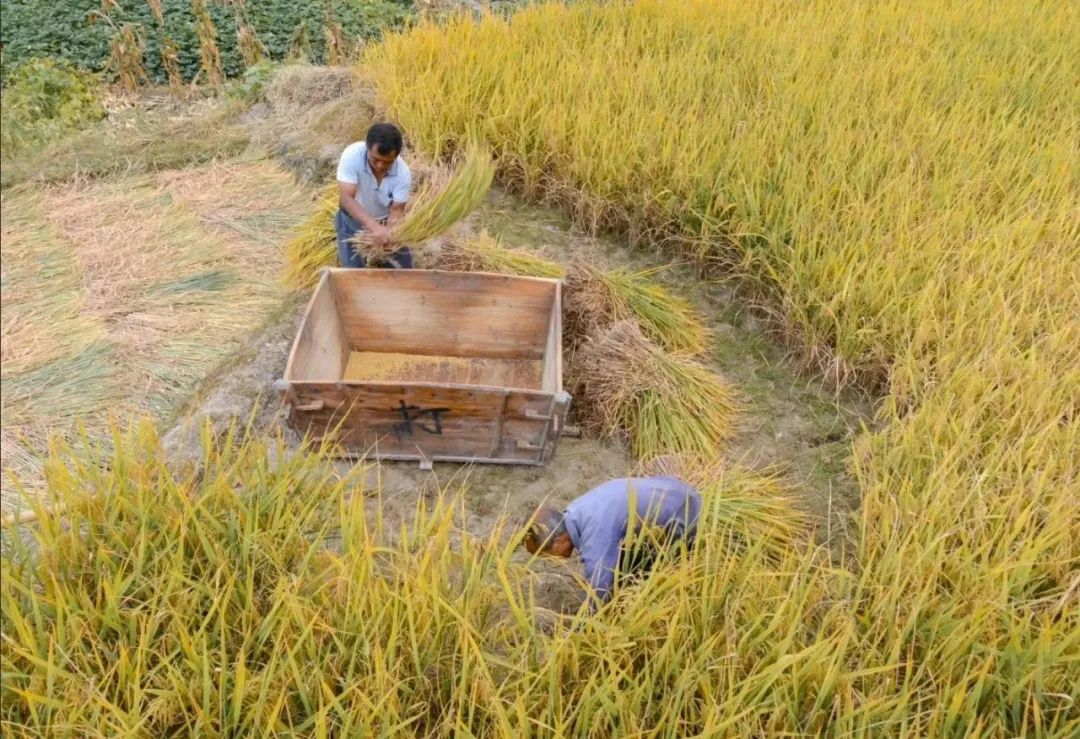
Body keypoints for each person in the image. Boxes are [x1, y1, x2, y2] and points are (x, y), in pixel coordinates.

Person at [523, 476, 701, 608]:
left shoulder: (596, 532)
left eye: (548, 555)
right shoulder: (576, 512)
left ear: (559, 540)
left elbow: (599, 591)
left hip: (686, 514)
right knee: (621, 563)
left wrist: (585, 628)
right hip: (674, 489)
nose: (554, 560)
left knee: (656, 576)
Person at [335, 123, 413, 269]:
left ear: (396, 156)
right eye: (375, 159)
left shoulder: (403, 174)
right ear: (367, 148)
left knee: (403, 267)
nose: (380, 166)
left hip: (383, 220)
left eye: (387, 162)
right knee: (353, 270)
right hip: (353, 217)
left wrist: (389, 232)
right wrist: (374, 227)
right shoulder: (352, 156)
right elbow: (347, 199)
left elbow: (396, 210)